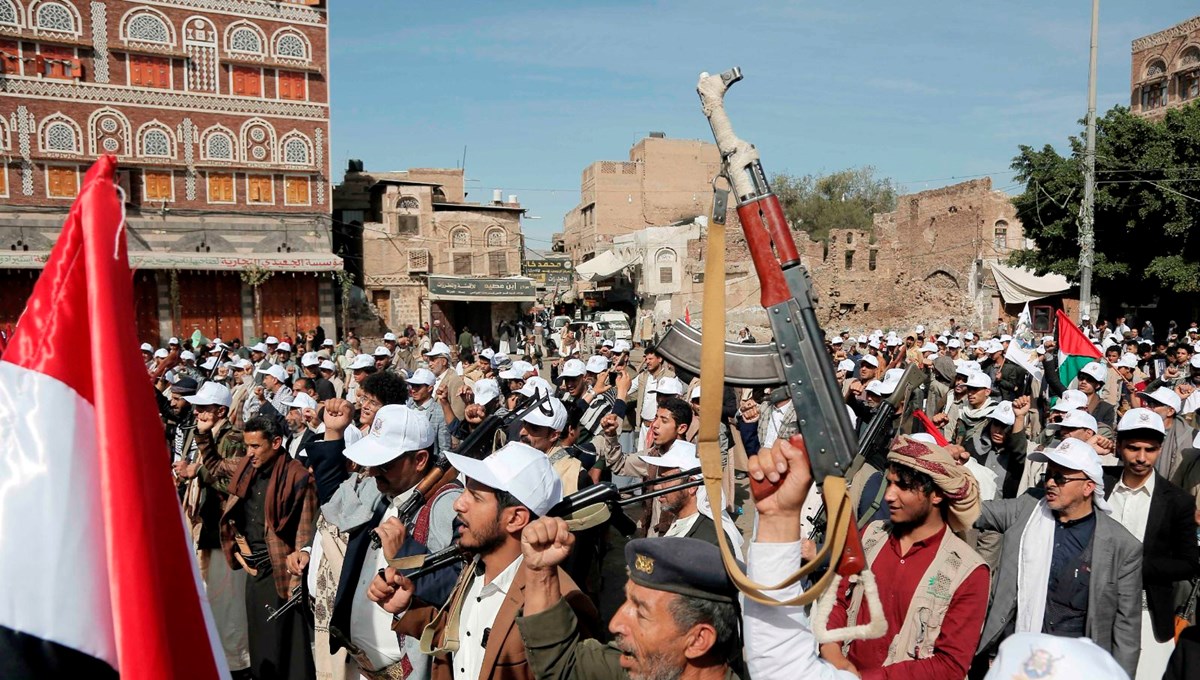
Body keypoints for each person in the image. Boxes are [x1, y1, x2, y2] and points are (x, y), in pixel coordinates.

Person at [368, 442, 600, 680]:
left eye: (475, 497)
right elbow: (463, 639)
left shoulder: (560, 601)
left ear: (515, 518)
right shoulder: (474, 567)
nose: (458, 503)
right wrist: (407, 607)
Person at [970, 438, 1143, 678]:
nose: (1050, 483)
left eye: (1061, 478)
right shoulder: (1027, 508)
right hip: (1019, 659)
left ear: (1088, 487)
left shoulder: (1122, 546)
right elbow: (972, 512)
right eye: (1048, 475)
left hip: (1077, 667)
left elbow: (1127, 629)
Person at [820, 435, 989, 680]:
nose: (889, 496)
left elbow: (950, 665)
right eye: (889, 484)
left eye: (903, 486)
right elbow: (837, 599)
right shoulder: (870, 536)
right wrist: (833, 653)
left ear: (937, 495)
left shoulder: (968, 572)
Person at [515, 529, 743, 680]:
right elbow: (563, 665)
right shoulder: (642, 666)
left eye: (641, 613)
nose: (614, 624)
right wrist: (540, 570)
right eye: (627, 600)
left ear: (698, 640)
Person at [1102, 408, 1199, 680]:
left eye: (1150, 449)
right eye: (1133, 448)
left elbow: (1188, 563)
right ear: (1119, 446)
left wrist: (1134, 568)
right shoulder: (1099, 484)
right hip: (1091, 607)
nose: (1142, 458)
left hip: (1148, 613)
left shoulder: (1177, 500)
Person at [219, 416, 317, 680]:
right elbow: (215, 467)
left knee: (284, 643)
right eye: (247, 446)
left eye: (255, 446)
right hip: (255, 569)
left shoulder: (297, 476)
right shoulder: (247, 469)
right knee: (260, 642)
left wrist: (297, 576)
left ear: (275, 443)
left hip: (280, 570)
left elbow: (304, 531)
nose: (249, 453)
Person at [174, 381, 251, 675]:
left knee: (229, 604)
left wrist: (198, 471)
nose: (197, 413)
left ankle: (237, 666)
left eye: (204, 408)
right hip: (207, 529)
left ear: (220, 410)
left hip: (226, 534)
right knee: (213, 601)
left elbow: (229, 480)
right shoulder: (205, 435)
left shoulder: (232, 437)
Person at [407, 367, 452, 455]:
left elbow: (444, 449)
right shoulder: (407, 406)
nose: (413, 390)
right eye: (412, 386)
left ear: (429, 388)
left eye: (418, 386)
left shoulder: (439, 413)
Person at [425, 341, 467, 421]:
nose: (430, 364)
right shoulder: (433, 379)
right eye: (429, 360)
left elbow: (458, 415)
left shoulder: (455, 380)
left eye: (433, 360)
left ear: (444, 361)